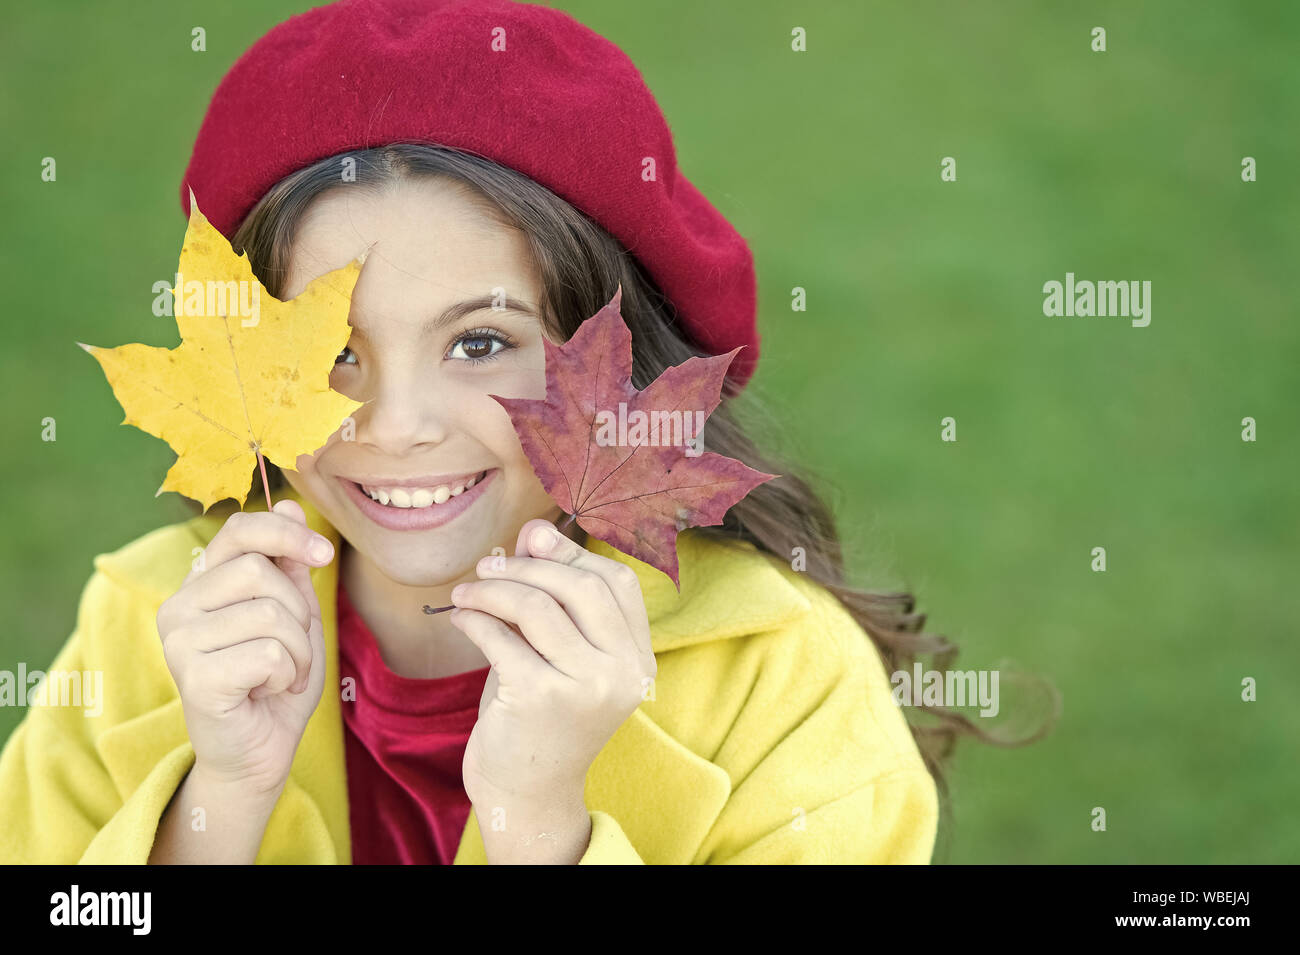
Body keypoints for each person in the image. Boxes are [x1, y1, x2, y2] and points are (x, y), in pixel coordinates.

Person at [0, 0, 960, 864]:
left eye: (480, 342)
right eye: (337, 350)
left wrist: (542, 826)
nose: (398, 426)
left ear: (620, 364)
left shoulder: (779, 675)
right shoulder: (148, 628)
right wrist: (219, 803)